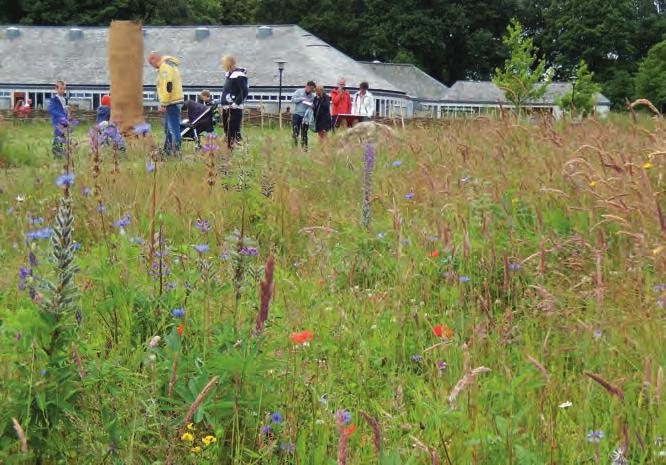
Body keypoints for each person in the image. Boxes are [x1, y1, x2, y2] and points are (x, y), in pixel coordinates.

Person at [148, 51, 184, 156]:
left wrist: (164, 103)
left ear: (154, 59)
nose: (152, 67)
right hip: (172, 101)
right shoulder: (169, 65)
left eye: (151, 63)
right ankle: (167, 149)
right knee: (168, 128)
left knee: (173, 128)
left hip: (171, 101)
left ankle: (176, 150)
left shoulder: (165, 68)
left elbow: (167, 86)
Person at [221, 55, 249, 149]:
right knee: (227, 131)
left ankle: (239, 149)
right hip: (226, 107)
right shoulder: (229, 75)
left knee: (234, 130)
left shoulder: (239, 75)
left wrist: (236, 103)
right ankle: (230, 150)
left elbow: (244, 91)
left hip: (234, 107)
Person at [291, 81, 315, 149]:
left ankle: (304, 149)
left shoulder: (312, 96)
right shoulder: (299, 91)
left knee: (304, 133)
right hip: (297, 115)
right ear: (307, 86)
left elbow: (313, 105)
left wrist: (312, 106)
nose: (311, 90)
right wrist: (301, 99)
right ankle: (294, 149)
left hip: (305, 117)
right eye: (310, 88)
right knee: (295, 132)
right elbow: (292, 100)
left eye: (312, 89)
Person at [48, 80, 69, 157]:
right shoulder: (54, 99)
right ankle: (55, 153)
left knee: (62, 137)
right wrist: (61, 116)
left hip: (63, 122)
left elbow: (63, 109)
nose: (62, 90)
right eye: (61, 88)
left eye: (64, 89)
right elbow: (51, 110)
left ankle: (60, 152)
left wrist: (66, 110)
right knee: (57, 137)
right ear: (56, 89)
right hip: (57, 121)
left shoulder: (64, 99)